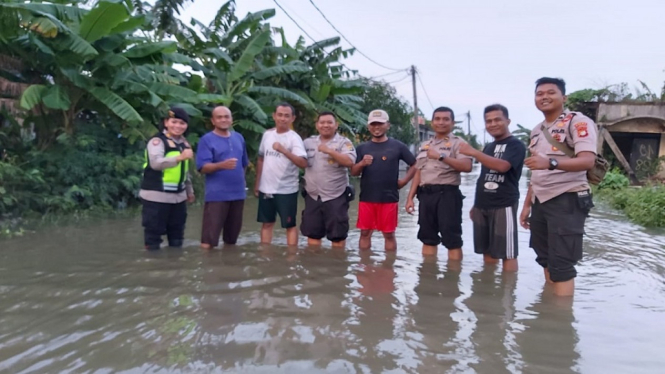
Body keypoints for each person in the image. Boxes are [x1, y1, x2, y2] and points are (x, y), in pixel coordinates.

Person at [520, 77, 597, 297]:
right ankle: (549, 310)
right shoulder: (536, 130)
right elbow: (537, 170)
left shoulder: (578, 122)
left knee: (562, 264)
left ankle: (561, 321)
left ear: (564, 98)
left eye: (550, 92)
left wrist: (551, 162)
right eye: (539, 93)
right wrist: (527, 205)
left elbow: (587, 161)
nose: (544, 97)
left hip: (568, 199)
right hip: (540, 202)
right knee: (544, 257)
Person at [459, 104, 526, 271]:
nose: (492, 124)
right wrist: (476, 204)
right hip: (483, 204)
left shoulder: (516, 145)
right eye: (488, 121)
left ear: (507, 121)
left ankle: (508, 292)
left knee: (508, 253)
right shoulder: (488, 147)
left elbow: (503, 167)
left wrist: (474, 152)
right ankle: (488, 287)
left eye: (497, 119)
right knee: (486, 250)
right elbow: (483, 176)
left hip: (504, 203)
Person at [405, 107, 473, 259]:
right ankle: (428, 275)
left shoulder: (459, 143)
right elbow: (419, 171)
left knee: (452, 239)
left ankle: (452, 278)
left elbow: (467, 166)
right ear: (432, 122)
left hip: (447, 195)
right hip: (426, 195)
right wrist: (410, 197)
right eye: (437, 119)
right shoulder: (425, 145)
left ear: (452, 123)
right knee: (427, 237)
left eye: (445, 119)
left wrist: (441, 156)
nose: (441, 122)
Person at [351, 109, 416, 251]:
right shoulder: (362, 148)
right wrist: (361, 163)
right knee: (365, 233)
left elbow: (415, 164)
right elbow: (354, 172)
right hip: (367, 198)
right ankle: (364, 267)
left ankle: (389, 268)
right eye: (373, 124)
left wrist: (404, 181)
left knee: (389, 234)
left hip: (389, 198)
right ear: (368, 126)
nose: (376, 127)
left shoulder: (397, 146)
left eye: (380, 124)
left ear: (388, 125)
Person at [139, 107, 195, 250]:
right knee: (153, 237)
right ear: (166, 122)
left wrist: (189, 191)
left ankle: (175, 265)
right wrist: (180, 157)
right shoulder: (157, 142)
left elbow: (185, 171)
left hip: (178, 197)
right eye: (174, 122)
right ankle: (153, 266)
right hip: (156, 196)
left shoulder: (184, 143)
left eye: (182, 123)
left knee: (177, 237)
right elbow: (156, 163)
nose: (178, 126)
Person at [254, 102, 307, 246]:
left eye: (286, 116)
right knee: (266, 224)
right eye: (280, 115)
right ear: (274, 116)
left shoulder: (294, 138)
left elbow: (303, 163)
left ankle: (291, 258)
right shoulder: (267, 135)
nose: (283, 119)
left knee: (289, 226)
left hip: (286, 190)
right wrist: (257, 184)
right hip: (266, 188)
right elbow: (261, 159)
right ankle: (265, 256)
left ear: (292, 119)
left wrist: (284, 151)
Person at [196, 106, 249, 249]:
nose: (224, 119)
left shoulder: (239, 137)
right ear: (213, 121)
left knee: (232, 240)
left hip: (238, 194)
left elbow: (244, 164)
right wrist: (221, 165)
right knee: (209, 240)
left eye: (227, 116)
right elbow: (202, 167)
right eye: (219, 117)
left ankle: (228, 267)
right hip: (216, 195)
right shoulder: (207, 140)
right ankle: (207, 266)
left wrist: (241, 183)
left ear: (231, 119)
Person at [301, 111, 356, 248]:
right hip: (313, 196)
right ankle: (314, 266)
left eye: (329, 122)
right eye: (322, 122)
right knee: (312, 235)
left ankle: (336, 267)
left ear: (336, 125)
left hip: (336, 196)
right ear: (317, 125)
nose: (326, 125)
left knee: (337, 237)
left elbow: (350, 162)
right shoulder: (307, 142)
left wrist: (330, 151)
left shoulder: (344, 143)